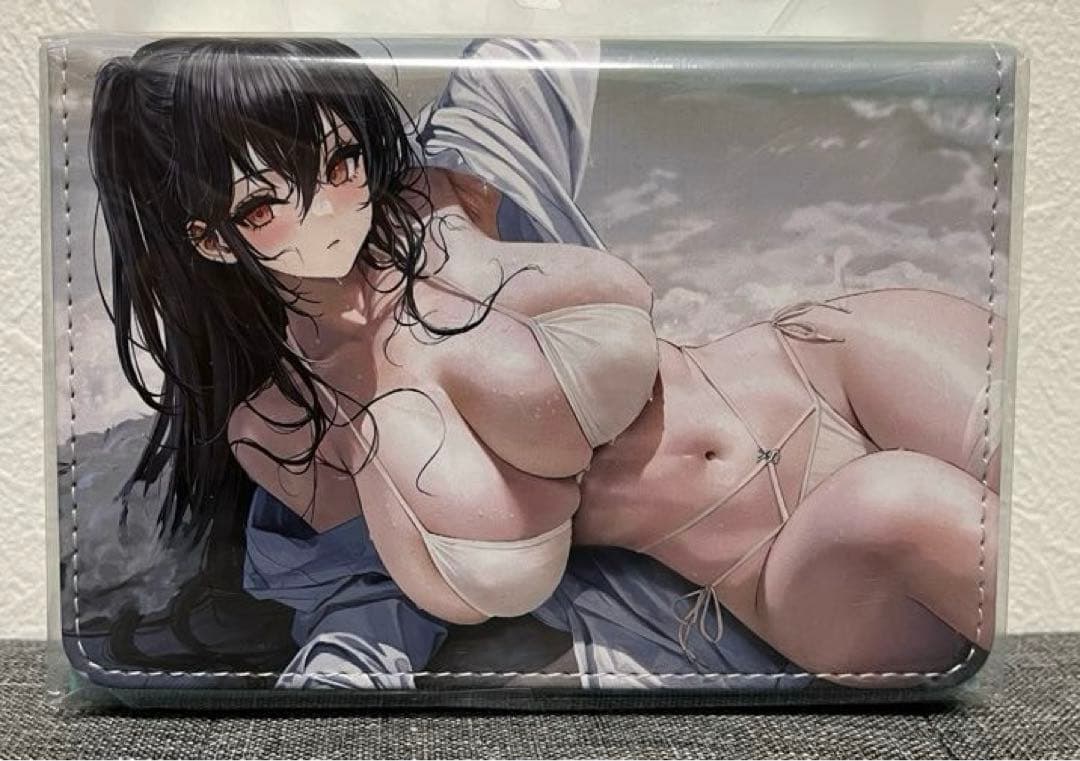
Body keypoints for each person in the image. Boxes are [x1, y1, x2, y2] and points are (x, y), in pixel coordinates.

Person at [89, 36, 1001, 688]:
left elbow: (536, 44)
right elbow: (373, 588)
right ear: (210, 238)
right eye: (265, 204)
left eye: (340, 161)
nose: (333, 206)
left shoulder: (439, 197)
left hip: (821, 364)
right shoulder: (287, 419)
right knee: (903, 504)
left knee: (1044, 486)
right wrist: (340, 676)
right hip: (778, 559)